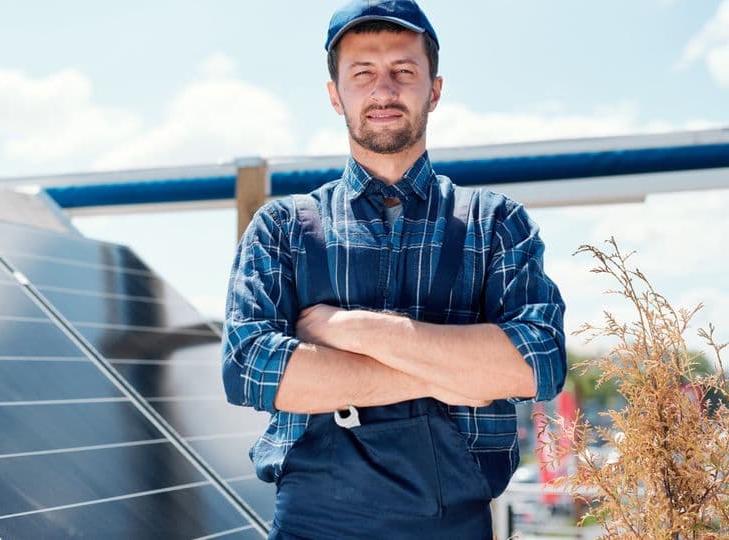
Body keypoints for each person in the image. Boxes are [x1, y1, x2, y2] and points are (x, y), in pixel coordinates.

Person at [222, 1, 567, 538]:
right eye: (363, 74)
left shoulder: (495, 223)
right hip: (313, 527)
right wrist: (452, 374)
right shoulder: (282, 228)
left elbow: (534, 363)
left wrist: (347, 330)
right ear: (336, 95)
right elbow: (251, 369)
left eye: (403, 71)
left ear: (434, 89)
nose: (384, 90)